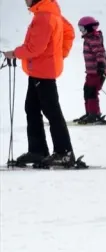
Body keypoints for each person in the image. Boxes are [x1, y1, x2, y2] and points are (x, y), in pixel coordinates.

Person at [2, 0, 76, 166]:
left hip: (43, 71)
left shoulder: (44, 16)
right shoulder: (50, 12)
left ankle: (64, 153)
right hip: (40, 70)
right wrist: (58, 55)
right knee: (32, 108)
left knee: (51, 111)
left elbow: (35, 47)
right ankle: (38, 151)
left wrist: (14, 53)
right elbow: (69, 32)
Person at [73, 16, 106, 125]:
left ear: (88, 28)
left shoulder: (93, 39)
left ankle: (94, 115)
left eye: (82, 28)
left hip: (97, 71)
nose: (81, 31)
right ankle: (90, 113)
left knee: (92, 91)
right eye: (79, 28)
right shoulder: (89, 38)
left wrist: (100, 65)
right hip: (91, 72)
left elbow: (99, 52)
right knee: (87, 91)